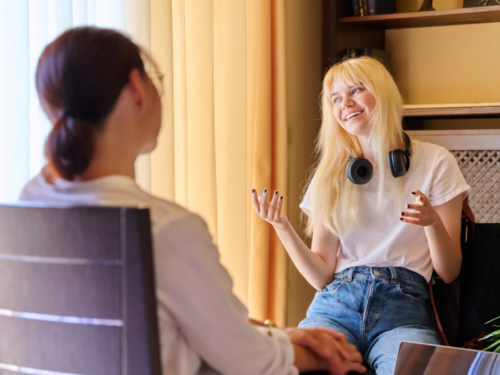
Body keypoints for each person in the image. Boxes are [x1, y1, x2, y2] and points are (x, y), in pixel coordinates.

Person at [18, 27, 366, 375]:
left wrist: (277, 335)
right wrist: (319, 355)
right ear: (137, 89)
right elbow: (253, 364)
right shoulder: (166, 229)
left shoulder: (29, 202)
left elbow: (197, 327)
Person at [251, 56, 471, 375]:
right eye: (336, 98)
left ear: (382, 93)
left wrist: (432, 223)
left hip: (405, 310)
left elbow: (449, 272)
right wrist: (282, 227)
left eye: (356, 90)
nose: (346, 103)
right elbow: (321, 275)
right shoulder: (331, 174)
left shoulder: (436, 161)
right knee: (291, 367)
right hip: (335, 305)